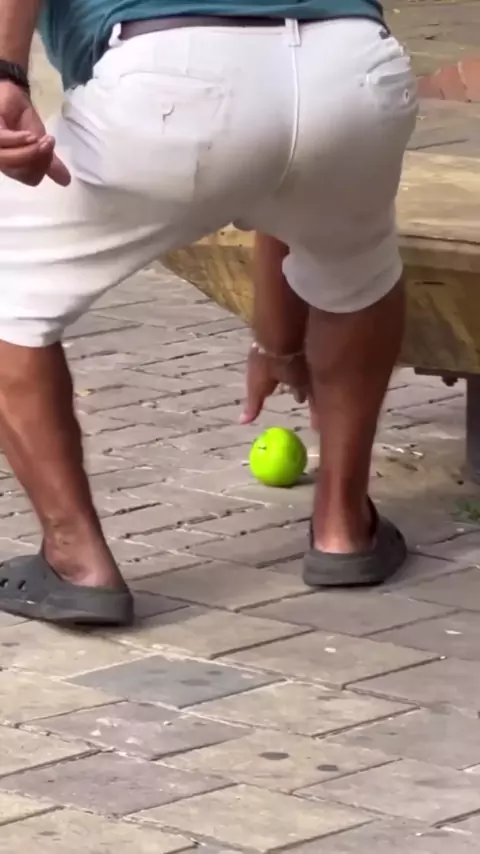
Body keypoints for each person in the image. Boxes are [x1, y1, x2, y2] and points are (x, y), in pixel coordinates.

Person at [0, 0, 417, 626]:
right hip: (352, 64)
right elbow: (278, 165)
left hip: (173, 73)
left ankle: (74, 562)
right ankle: (343, 525)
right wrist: (276, 340)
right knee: (358, 272)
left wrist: (6, 70)